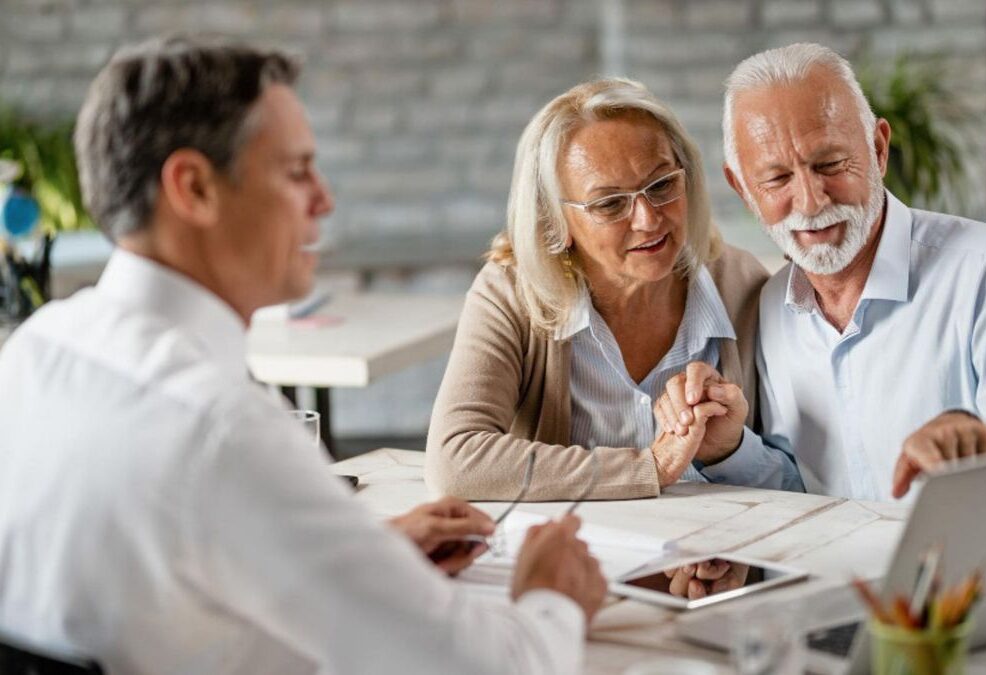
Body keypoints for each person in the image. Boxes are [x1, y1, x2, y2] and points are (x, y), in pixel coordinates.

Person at [0, 37, 606, 674]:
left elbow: (149, 580)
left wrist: (359, 556)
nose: (324, 199)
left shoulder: (33, 353)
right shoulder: (224, 431)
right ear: (194, 188)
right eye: (296, 172)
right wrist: (551, 596)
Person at [654, 42, 986, 502]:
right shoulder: (774, 305)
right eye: (777, 179)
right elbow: (802, 491)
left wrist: (983, 443)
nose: (812, 202)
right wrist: (728, 450)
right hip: (837, 573)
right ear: (742, 189)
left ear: (878, 149)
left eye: (831, 164)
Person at [424, 78, 802, 502]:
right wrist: (650, 468)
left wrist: (729, 452)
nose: (647, 219)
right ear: (556, 223)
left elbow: (798, 481)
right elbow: (455, 461)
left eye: (661, 186)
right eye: (608, 203)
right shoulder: (511, 293)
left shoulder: (744, 285)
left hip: (713, 557)